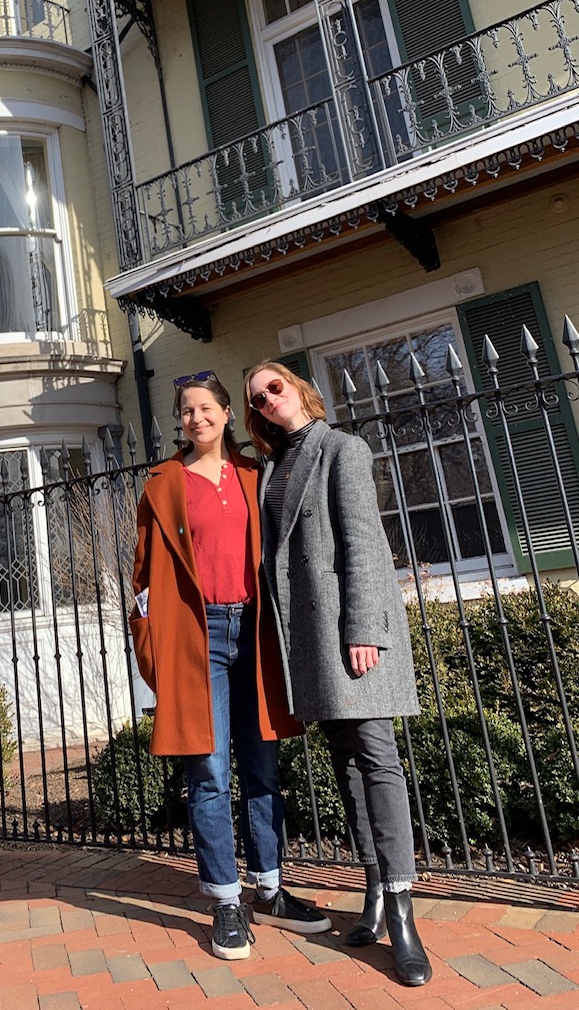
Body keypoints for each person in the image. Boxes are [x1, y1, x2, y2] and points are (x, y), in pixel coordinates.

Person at [129, 370, 330, 961]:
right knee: (210, 772)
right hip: (198, 640)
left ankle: (270, 889)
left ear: (225, 413)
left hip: (256, 632)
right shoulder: (162, 484)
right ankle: (225, 899)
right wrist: (152, 650)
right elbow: (141, 580)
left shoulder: (254, 472)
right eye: (185, 411)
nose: (196, 418)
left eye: (206, 408)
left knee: (263, 766)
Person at [243, 360, 432, 988]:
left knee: (378, 756)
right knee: (345, 760)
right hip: (306, 640)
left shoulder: (342, 449)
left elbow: (362, 543)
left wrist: (364, 629)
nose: (269, 400)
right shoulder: (271, 466)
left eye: (276, 387)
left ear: (300, 390)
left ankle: (403, 911)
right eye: (258, 398)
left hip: (347, 632)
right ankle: (373, 889)